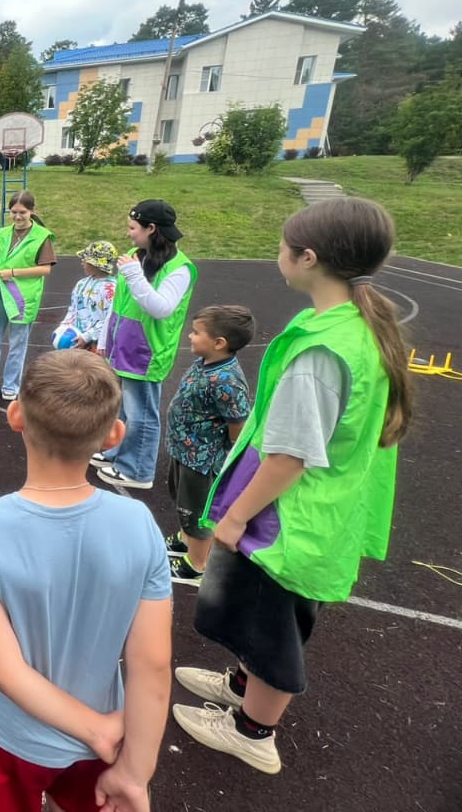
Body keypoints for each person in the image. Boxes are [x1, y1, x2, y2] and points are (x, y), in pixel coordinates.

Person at [172, 198, 412, 776]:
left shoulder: (323, 351)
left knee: (274, 627)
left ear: (308, 258)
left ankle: (253, 732)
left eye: (283, 245)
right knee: (259, 616)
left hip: (291, 520)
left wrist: (235, 517)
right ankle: (241, 687)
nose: (277, 253)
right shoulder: (351, 327)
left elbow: (290, 456)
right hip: (311, 512)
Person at [0, 349, 172, 812]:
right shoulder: (138, 524)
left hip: (11, 735)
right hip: (99, 742)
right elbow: (152, 664)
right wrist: (135, 771)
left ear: (15, 415)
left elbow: (5, 669)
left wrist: (95, 728)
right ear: (114, 434)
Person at [94, 199, 197, 491]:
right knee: (122, 406)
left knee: (142, 412)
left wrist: (135, 275)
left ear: (151, 228)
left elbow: (161, 308)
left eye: (133, 228)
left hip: (147, 351)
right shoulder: (133, 256)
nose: (128, 233)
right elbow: (118, 302)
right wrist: (104, 339)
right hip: (122, 344)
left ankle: (138, 469)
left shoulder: (180, 268)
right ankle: (116, 451)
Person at [163, 305, 254, 583]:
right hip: (185, 451)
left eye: (196, 333)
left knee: (197, 510)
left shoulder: (227, 381)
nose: (190, 336)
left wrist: (229, 456)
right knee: (183, 500)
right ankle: (187, 538)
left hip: (202, 459)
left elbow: (238, 424)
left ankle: (197, 564)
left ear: (219, 343)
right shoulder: (205, 362)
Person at [0, 190, 55, 400]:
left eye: (22, 212)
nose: (17, 216)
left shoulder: (42, 236)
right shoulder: (3, 234)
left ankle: (11, 385)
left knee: (17, 344)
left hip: (23, 297)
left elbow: (45, 269)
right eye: (13, 212)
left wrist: (13, 273)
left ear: (32, 211)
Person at [51, 241, 117, 352]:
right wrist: (64, 326)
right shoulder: (81, 284)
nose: (82, 263)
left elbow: (109, 319)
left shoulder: (110, 289)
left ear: (95, 264)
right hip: (76, 339)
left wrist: (87, 336)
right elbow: (73, 308)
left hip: (98, 344)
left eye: (85, 260)